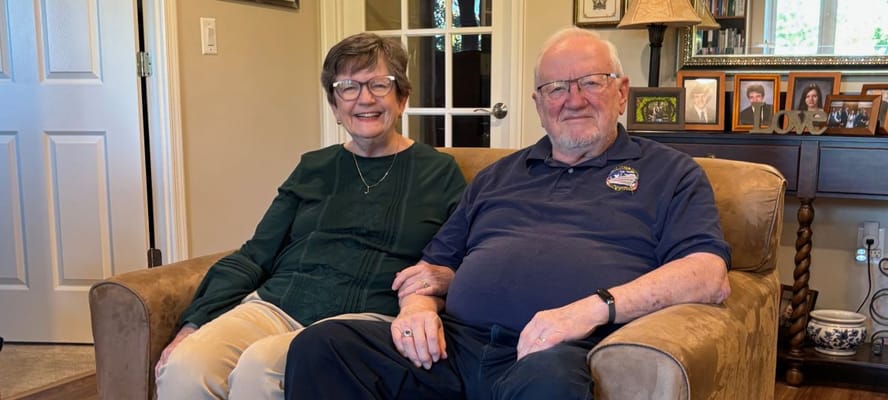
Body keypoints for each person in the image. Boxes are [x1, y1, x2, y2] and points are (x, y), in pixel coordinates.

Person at [283, 27, 732, 399]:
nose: (572, 100)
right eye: (555, 88)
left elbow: (708, 274)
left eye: (591, 82)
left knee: (549, 383)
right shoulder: (498, 176)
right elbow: (434, 264)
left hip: (549, 355)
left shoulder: (669, 172)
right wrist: (417, 308)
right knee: (323, 346)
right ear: (538, 105)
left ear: (621, 92)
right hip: (450, 348)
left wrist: (590, 310)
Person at [153, 32, 467, 400]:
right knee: (186, 367)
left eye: (379, 85)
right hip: (277, 306)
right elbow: (256, 253)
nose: (364, 98)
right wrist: (192, 326)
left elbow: (459, 257)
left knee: (261, 368)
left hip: (361, 320)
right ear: (335, 106)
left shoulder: (439, 172)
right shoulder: (313, 167)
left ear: (402, 99)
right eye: (348, 87)